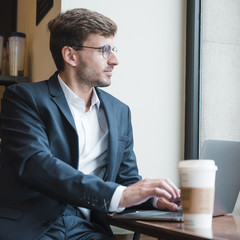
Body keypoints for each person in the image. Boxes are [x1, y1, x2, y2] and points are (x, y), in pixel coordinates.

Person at [0, 8, 180, 240]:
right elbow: (36, 164)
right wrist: (118, 195)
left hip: (87, 229)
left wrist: (155, 199)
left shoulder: (119, 112)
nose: (114, 60)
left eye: (113, 49)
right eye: (104, 50)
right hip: (32, 226)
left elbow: (126, 180)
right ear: (70, 55)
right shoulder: (23, 98)